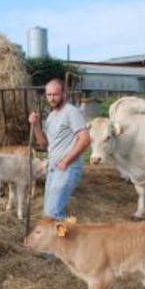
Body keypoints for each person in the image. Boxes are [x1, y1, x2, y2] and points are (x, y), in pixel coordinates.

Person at [28, 79, 91, 219]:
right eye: (48, 95)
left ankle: (64, 239)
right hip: (52, 169)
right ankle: (62, 236)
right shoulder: (51, 116)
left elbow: (85, 139)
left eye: (55, 94)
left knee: (54, 213)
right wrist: (36, 125)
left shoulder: (71, 112)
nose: (51, 98)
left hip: (67, 169)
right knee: (49, 213)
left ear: (64, 93)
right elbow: (44, 144)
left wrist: (66, 162)